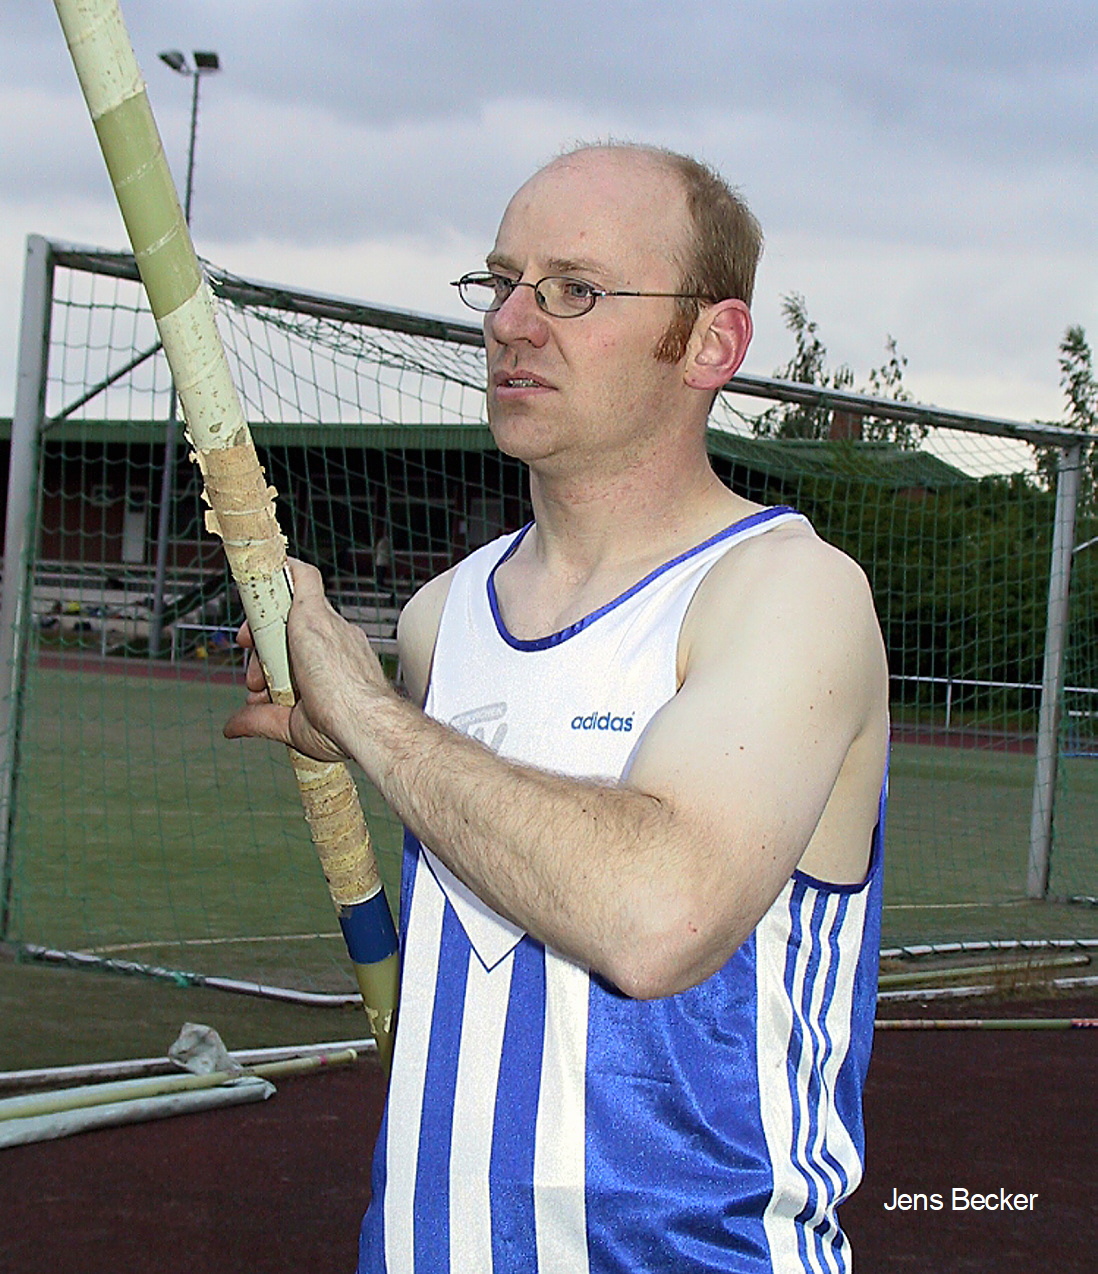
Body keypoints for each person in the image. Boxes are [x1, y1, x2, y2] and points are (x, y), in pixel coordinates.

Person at [227, 142, 889, 1274]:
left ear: (713, 343)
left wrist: (369, 714)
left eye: (574, 290)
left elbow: (660, 918)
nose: (511, 324)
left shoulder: (790, 593)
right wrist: (354, 721)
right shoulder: (442, 616)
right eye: (502, 283)